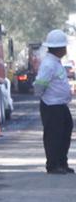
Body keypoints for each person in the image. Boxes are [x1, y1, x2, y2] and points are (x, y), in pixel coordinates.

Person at [32, 29, 73, 175]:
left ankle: (62, 163)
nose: (65, 49)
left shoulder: (56, 62)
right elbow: (39, 86)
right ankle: (53, 165)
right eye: (64, 46)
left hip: (60, 105)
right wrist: (45, 97)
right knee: (54, 135)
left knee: (65, 132)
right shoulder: (49, 64)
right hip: (51, 105)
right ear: (58, 48)